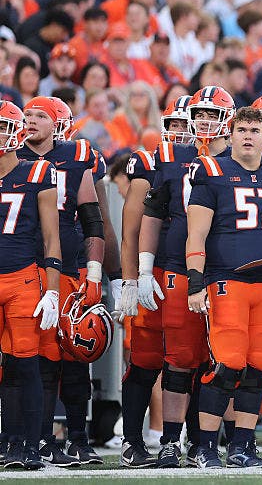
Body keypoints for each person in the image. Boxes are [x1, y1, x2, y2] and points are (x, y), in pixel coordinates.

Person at [185, 106, 262, 469]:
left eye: (255, 130)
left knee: (259, 365)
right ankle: (204, 446)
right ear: (230, 134)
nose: (248, 136)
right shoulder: (211, 171)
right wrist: (195, 283)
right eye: (242, 129)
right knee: (227, 363)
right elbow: (196, 234)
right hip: (227, 280)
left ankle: (242, 446)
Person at [139, 88, 233, 467]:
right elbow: (151, 217)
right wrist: (142, 270)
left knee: (229, 357)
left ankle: (224, 441)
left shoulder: (249, 160)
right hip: (180, 267)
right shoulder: (172, 159)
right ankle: (169, 441)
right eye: (200, 113)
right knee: (180, 357)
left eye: (213, 113)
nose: (206, 121)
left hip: (229, 270)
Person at [17, 96, 105, 467]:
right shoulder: (10, 154)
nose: (31, 121)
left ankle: (76, 438)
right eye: (28, 115)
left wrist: (97, 272)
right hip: (21, 267)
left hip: (66, 267)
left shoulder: (78, 155)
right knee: (31, 357)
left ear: (59, 125)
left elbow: (93, 222)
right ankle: (31, 437)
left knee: (72, 354)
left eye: (41, 116)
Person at [116, 95, 191, 468]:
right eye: (173, 124)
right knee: (146, 358)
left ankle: (188, 441)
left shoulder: (212, 164)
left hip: (195, 273)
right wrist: (131, 280)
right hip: (157, 271)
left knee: (191, 358)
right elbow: (132, 226)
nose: (179, 131)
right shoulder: (150, 161)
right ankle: (132, 441)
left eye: (185, 123)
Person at [0, 102, 61, 470]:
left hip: (23, 277)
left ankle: (28, 443)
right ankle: (8, 440)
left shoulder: (38, 171)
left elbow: (51, 238)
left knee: (25, 363)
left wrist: (52, 289)